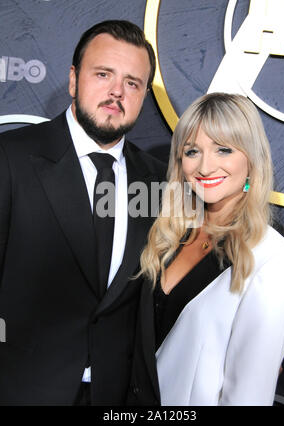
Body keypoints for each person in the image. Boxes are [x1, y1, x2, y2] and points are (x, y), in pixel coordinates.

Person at [0, 20, 166, 405]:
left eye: (132, 83)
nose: (116, 92)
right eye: (103, 74)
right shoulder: (11, 158)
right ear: (74, 80)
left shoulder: (159, 182)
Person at [127, 93, 284, 406]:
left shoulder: (275, 258)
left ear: (251, 159)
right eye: (193, 151)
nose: (205, 167)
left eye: (223, 149)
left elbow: (247, 396)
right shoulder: (167, 233)